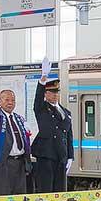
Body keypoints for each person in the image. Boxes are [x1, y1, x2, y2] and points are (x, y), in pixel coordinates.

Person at [32, 57, 73, 193]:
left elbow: (69, 136)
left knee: (59, 191)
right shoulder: (41, 108)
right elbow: (37, 98)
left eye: (56, 92)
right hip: (46, 155)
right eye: (51, 92)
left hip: (61, 156)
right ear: (46, 94)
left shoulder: (66, 112)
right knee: (46, 190)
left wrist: (70, 156)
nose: (55, 95)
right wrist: (43, 78)